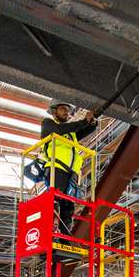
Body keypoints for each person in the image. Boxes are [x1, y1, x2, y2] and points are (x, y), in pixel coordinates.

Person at [41, 99, 97, 234]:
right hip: (57, 168)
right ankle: (49, 234)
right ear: (54, 111)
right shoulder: (48, 124)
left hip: (71, 173)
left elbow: (85, 130)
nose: (67, 112)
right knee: (55, 200)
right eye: (63, 109)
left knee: (68, 206)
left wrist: (93, 122)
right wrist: (84, 121)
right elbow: (62, 129)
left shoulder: (71, 134)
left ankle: (65, 238)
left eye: (68, 110)